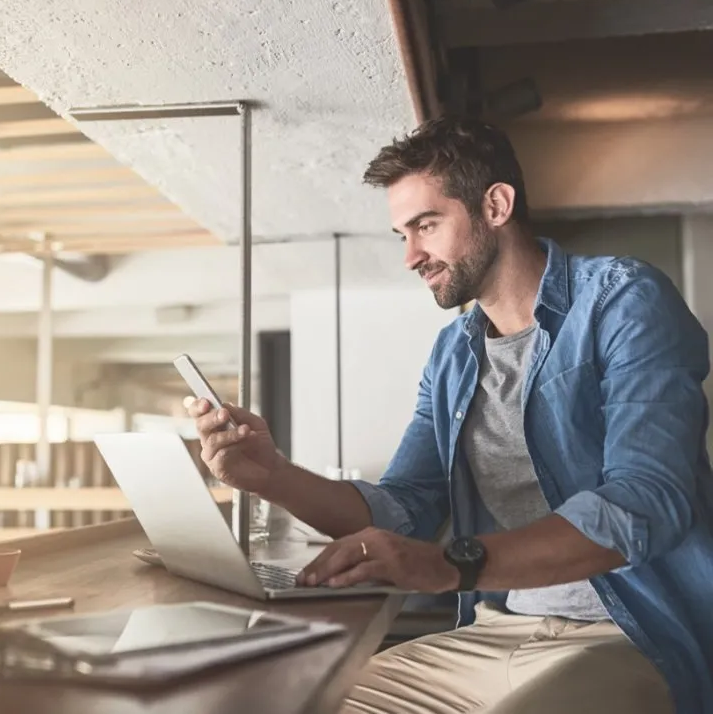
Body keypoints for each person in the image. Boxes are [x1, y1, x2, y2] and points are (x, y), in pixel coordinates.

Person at [188, 116, 713, 714]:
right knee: (298, 700)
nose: (410, 255)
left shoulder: (623, 299)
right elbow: (405, 508)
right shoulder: (453, 354)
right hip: (493, 632)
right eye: (401, 235)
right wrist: (272, 476)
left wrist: (449, 565)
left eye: (425, 226)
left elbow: (647, 500)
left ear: (495, 205)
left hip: (629, 635)